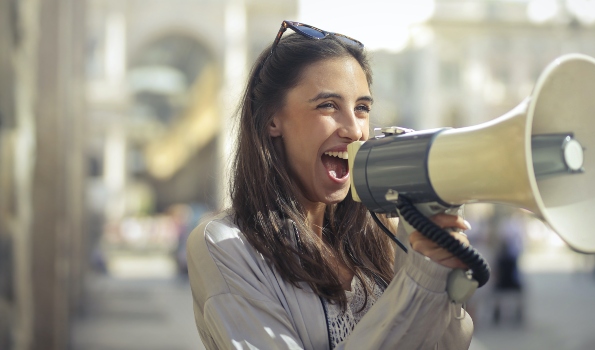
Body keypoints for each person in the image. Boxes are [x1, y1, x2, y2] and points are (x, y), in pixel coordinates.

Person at [186, 21, 474, 349]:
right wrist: (419, 283)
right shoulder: (225, 244)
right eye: (328, 105)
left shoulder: (386, 234)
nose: (354, 130)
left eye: (362, 108)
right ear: (272, 120)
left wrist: (437, 272)